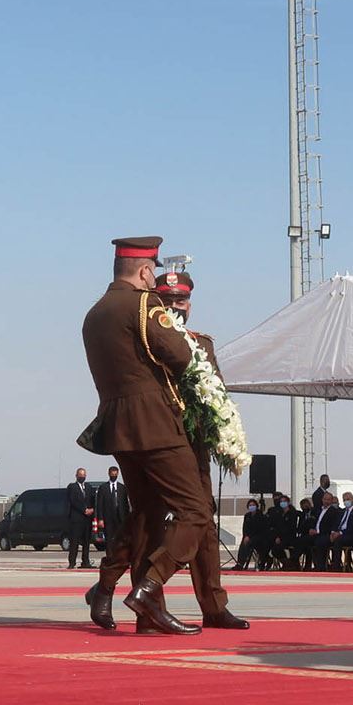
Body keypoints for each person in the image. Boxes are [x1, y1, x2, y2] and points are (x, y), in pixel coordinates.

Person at [80, 236, 206, 634]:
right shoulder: (143, 304)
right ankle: (150, 589)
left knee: (146, 514)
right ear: (147, 271)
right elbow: (181, 355)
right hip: (154, 423)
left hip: (118, 426)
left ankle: (109, 590)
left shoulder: (94, 313)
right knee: (195, 510)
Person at [66, 468, 95, 570]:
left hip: (87, 520)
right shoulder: (72, 487)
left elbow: (93, 499)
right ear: (76, 476)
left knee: (86, 541)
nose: (82, 477)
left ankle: (85, 561)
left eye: (84, 475)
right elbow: (73, 501)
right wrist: (84, 510)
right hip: (76, 519)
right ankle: (72, 562)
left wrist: (92, 509)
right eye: (80, 475)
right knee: (74, 542)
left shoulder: (89, 487)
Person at [95, 466, 128, 552]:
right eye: (112, 474)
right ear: (109, 474)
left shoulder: (122, 488)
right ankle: (109, 557)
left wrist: (127, 519)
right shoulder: (103, 488)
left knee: (120, 539)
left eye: (115, 474)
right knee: (109, 539)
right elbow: (99, 504)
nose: (114, 476)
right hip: (108, 517)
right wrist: (100, 519)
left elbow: (125, 504)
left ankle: (119, 558)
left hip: (120, 517)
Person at [236, 500, 264, 570]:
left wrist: (250, 537)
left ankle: (243, 563)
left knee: (248, 543)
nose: (252, 507)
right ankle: (240, 563)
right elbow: (245, 528)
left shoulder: (260, 515)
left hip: (258, 536)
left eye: (253, 505)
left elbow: (260, 529)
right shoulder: (247, 516)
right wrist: (246, 536)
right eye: (250, 505)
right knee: (243, 544)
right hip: (248, 536)